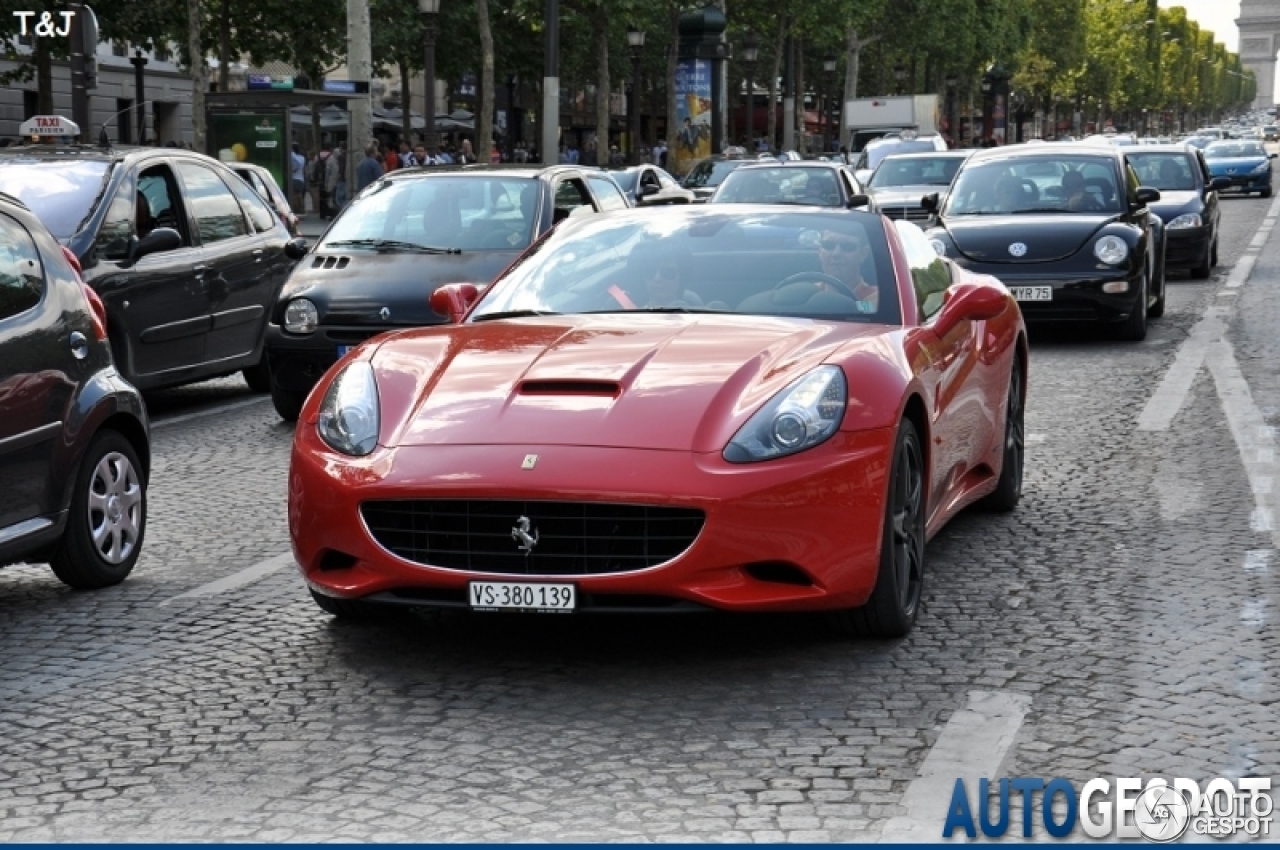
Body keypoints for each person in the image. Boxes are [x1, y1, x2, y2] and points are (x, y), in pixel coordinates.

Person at [815, 229, 878, 312]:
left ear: (863, 254)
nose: (836, 253)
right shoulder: (807, 292)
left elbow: (861, 313)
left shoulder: (873, 298)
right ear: (819, 251)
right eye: (828, 245)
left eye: (847, 246)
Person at [290, 143, 306, 212]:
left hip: (294, 178)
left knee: (294, 195)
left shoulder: (292, 156)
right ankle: (302, 208)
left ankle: (296, 209)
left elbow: (297, 164)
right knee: (299, 195)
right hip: (301, 179)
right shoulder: (302, 158)